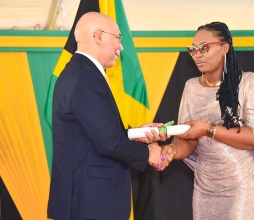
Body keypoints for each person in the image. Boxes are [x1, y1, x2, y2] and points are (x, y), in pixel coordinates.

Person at [47, 12, 168, 220]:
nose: (121, 46)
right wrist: (149, 154)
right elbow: (109, 142)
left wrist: (137, 133)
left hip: (86, 198)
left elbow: (95, 132)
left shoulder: (78, 72)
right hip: (91, 201)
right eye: (118, 38)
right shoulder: (86, 77)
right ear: (98, 36)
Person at [161, 22, 254, 220]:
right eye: (193, 49)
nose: (197, 54)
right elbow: (187, 137)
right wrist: (173, 150)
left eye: (204, 47)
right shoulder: (191, 87)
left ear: (224, 47)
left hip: (246, 187)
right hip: (205, 190)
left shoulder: (249, 83)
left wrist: (208, 129)